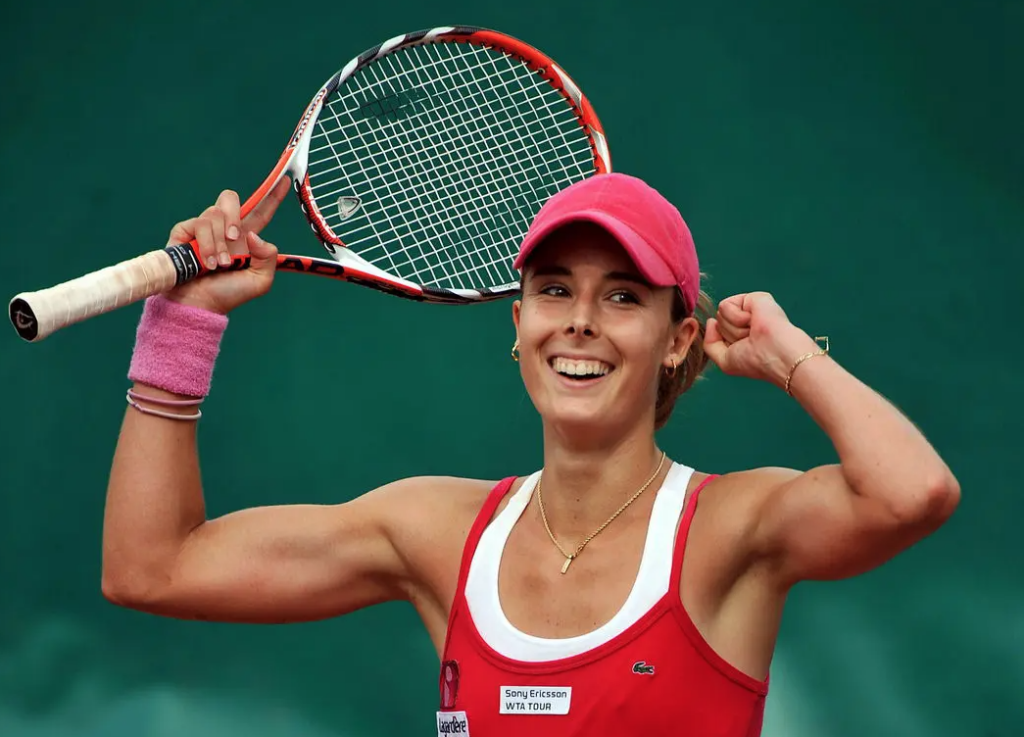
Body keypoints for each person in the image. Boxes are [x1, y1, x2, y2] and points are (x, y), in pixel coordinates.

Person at [101, 172, 960, 736]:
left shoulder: (732, 527)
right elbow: (152, 567)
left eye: (622, 296)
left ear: (678, 338)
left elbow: (913, 492)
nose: (580, 320)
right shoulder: (435, 531)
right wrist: (185, 323)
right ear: (519, 324)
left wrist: (789, 353)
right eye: (555, 289)